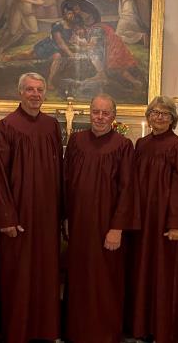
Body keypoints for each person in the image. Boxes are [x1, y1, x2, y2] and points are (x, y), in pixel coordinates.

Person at [0, 72, 64, 343]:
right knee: (18, 274)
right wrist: (6, 216)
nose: (35, 94)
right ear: (20, 92)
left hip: (46, 214)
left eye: (40, 90)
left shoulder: (51, 125)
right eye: (30, 90)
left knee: (46, 273)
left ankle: (46, 330)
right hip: (18, 214)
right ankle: (17, 331)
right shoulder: (7, 126)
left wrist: (61, 212)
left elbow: (59, 171)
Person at [63, 94, 138, 343]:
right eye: (96, 112)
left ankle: (105, 334)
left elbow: (128, 188)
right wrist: (65, 216)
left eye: (106, 113)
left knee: (106, 282)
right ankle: (78, 332)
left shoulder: (123, 145)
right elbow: (65, 181)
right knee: (79, 279)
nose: (100, 117)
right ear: (89, 113)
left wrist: (117, 228)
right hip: (79, 225)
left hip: (107, 227)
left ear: (113, 117)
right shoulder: (76, 141)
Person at [129, 96, 178, 343]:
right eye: (154, 113)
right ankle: (142, 327)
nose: (158, 117)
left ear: (173, 118)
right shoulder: (141, 144)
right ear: (148, 117)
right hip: (143, 221)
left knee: (165, 275)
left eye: (164, 114)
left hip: (166, 224)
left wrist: (177, 223)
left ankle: (164, 330)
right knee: (142, 273)